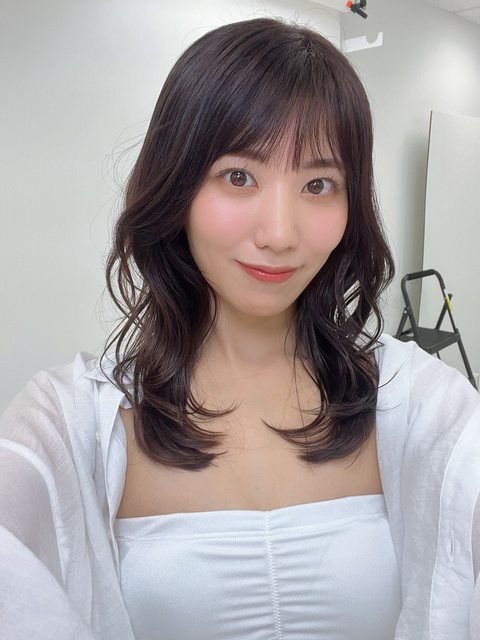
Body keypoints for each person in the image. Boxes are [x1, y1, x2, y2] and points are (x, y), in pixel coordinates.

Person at [1, 16, 479, 640]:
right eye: (239, 176)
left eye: (318, 184)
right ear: (177, 185)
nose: (279, 234)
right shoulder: (74, 423)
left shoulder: (413, 400)